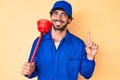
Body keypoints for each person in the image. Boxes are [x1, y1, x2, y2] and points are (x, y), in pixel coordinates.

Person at [21, 1, 99, 80]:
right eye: (55, 13)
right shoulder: (38, 42)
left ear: (69, 20)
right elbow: (32, 71)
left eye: (64, 15)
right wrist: (28, 71)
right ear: (51, 16)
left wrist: (90, 57)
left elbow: (87, 74)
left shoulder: (78, 44)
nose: (58, 18)